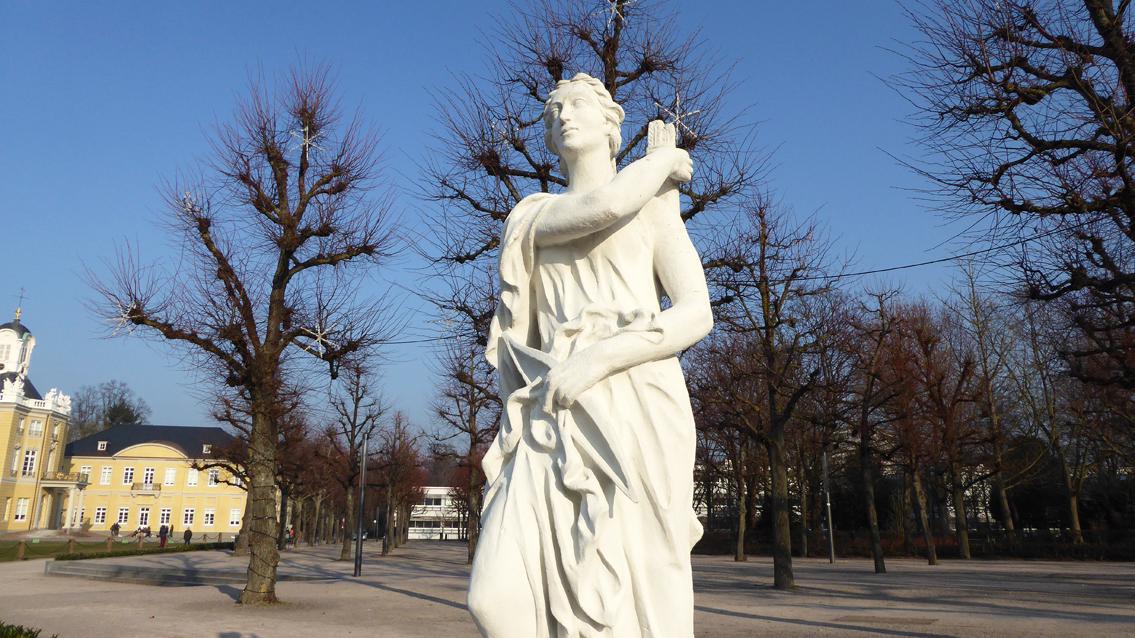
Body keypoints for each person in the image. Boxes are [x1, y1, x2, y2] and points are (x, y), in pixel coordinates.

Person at [467, 73, 711, 637]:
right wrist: (662, 163)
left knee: (645, 583)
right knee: (494, 598)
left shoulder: (654, 211)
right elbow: (604, 205)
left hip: (637, 401)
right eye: (553, 111)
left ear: (611, 124)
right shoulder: (531, 216)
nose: (563, 115)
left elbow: (697, 312)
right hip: (549, 410)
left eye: (577, 104)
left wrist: (599, 360)